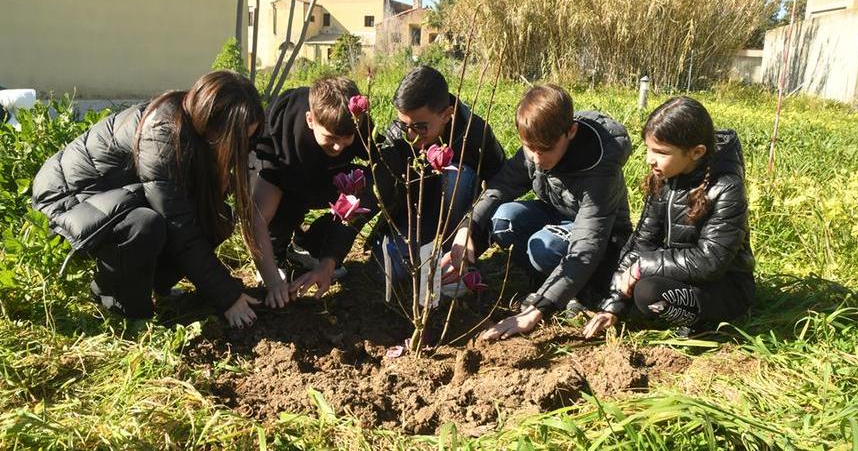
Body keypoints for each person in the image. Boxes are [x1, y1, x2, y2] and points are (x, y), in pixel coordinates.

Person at [32, 71, 264, 328]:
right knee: (144, 223)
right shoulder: (163, 132)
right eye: (237, 140)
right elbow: (178, 225)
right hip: (67, 197)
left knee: (217, 216)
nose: (241, 148)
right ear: (212, 125)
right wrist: (227, 296)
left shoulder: (195, 128)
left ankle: (153, 284)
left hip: (116, 197)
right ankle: (120, 305)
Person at [443, 84, 632, 341]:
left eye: (545, 149)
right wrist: (468, 228)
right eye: (529, 147)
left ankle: (583, 291)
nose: (537, 158)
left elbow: (587, 247)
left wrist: (537, 309)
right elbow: (501, 187)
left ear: (571, 132)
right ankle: (545, 279)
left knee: (544, 245)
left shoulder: (599, 169)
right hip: (559, 217)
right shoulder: (537, 146)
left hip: (603, 242)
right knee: (504, 219)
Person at [583, 96, 755, 339]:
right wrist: (613, 304)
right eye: (648, 149)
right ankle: (648, 306)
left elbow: (710, 261)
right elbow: (642, 242)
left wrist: (643, 266)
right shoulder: (664, 178)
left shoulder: (726, 188)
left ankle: (707, 322)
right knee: (609, 268)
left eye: (661, 152)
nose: (649, 159)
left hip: (724, 288)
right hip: (678, 273)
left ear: (696, 152)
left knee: (648, 294)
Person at [373, 65, 505, 300]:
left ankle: (455, 261)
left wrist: (471, 230)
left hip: (460, 222)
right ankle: (426, 259)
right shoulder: (397, 137)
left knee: (456, 173)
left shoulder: (474, 133)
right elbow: (378, 188)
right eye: (405, 125)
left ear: (447, 114)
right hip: (415, 219)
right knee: (391, 267)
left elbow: (500, 182)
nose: (411, 136)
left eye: (420, 127)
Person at [249, 77, 376, 309]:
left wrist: (329, 259)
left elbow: (381, 172)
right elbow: (256, 217)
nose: (338, 148)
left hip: (326, 178)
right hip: (284, 176)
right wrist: (272, 279)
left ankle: (311, 246)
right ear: (310, 119)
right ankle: (276, 254)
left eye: (346, 140)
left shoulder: (357, 123)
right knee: (281, 203)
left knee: (367, 186)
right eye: (331, 138)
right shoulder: (279, 129)